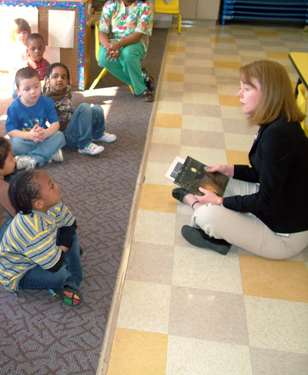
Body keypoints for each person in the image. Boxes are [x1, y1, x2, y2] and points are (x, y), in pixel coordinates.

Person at [172, 60, 308, 260]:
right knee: (215, 180)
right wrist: (231, 169)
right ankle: (204, 205)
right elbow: (264, 173)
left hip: (283, 235)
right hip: (278, 206)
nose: (239, 94)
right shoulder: (277, 123)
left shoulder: (279, 135)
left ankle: (196, 205)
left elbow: (267, 199)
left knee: (205, 215)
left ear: (269, 94)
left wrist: (219, 201)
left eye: (246, 88)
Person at [0, 170, 83, 306]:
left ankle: (67, 263)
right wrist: (65, 246)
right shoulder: (33, 230)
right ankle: (70, 281)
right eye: (51, 186)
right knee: (58, 274)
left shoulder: (52, 205)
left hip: (44, 248)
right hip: (21, 272)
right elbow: (54, 266)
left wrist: (64, 246)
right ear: (39, 204)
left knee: (70, 236)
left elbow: (70, 223)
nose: (56, 185)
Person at [43, 63, 117, 155]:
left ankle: (98, 134)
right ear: (47, 80)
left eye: (63, 77)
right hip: (66, 136)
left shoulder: (66, 93)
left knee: (97, 108)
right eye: (55, 76)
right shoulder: (45, 99)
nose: (59, 79)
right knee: (84, 107)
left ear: (68, 81)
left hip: (75, 128)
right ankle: (84, 145)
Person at [5, 67, 65, 170]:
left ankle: (32, 159)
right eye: (27, 89)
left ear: (40, 85)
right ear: (18, 91)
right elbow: (11, 131)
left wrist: (46, 133)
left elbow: (56, 124)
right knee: (14, 144)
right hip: (25, 140)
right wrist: (29, 135)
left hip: (42, 138)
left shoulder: (47, 102)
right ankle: (48, 153)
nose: (33, 92)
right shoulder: (14, 107)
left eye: (36, 86)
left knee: (60, 136)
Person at [98, 0, 155, 101]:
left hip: (135, 42)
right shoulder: (110, 4)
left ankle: (143, 89)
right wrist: (109, 47)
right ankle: (142, 78)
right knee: (103, 57)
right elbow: (102, 31)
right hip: (112, 42)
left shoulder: (146, 6)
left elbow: (138, 35)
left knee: (127, 54)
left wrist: (118, 45)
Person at [9, 18, 32, 99]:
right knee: (16, 95)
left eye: (24, 32)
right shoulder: (13, 48)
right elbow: (12, 64)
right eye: (19, 33)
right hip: (17, 75)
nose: (22, 35)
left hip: (28, 75)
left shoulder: (30, 47)